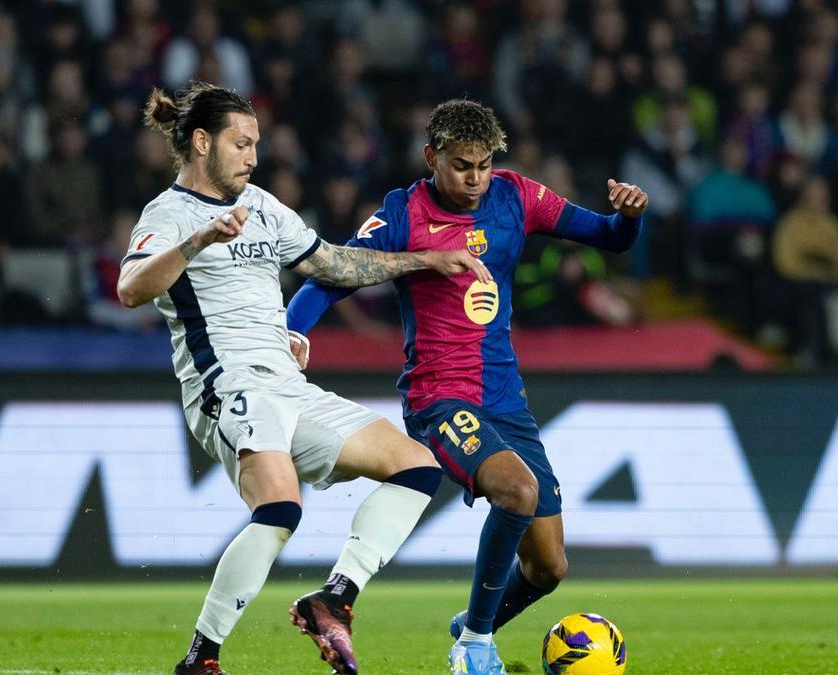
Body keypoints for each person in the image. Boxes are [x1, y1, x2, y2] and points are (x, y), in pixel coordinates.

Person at [116, 82, 491, 675]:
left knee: (418, 467)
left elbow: (335, 262)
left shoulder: (263, 205)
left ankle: (334, 597)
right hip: (229, 382)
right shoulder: (168, 216)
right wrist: (198, 240)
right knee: (280, 509)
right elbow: (132, 290)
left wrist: (424, 259)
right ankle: (201, 657)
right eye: (241, 144)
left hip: (287, 383)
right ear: (201, 142)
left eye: (256, 144)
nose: (253, 157)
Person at [285, 99, 648, 675]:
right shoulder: (403, 214)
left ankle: (472, 623)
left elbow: (608, 237)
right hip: (439, 397)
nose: (474, 179)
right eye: (460, 165)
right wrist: (292, 331)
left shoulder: (516, 196)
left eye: (483, 164)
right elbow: (334, 274)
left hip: (507, 400)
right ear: (432, 157)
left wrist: (628, 217)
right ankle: (475, 646)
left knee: (549, 567)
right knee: (517, 492)